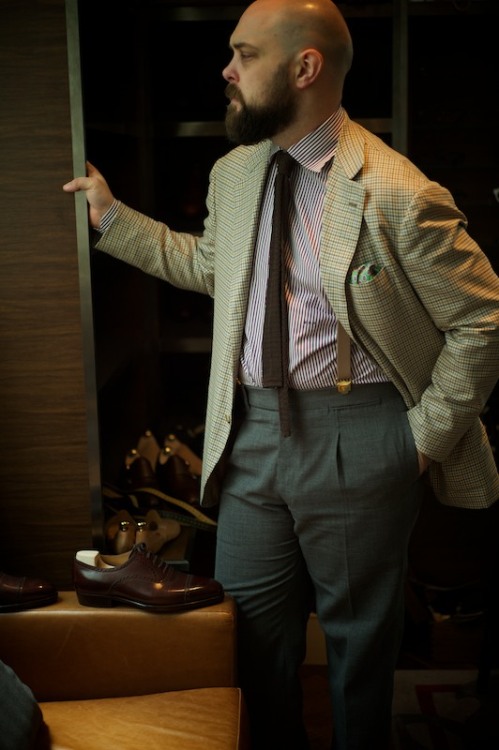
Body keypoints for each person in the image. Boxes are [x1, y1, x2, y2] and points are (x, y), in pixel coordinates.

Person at [63, 0, 499, 747]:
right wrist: (113, 218)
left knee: (359, 648)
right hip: (250, 434)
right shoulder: (234, 172)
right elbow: (212, 266)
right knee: (251, 640)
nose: (227, 71)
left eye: (245, 54)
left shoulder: (397, 189)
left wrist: (422, 440)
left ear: (305, 67)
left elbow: (480, 320)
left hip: (361, 433)